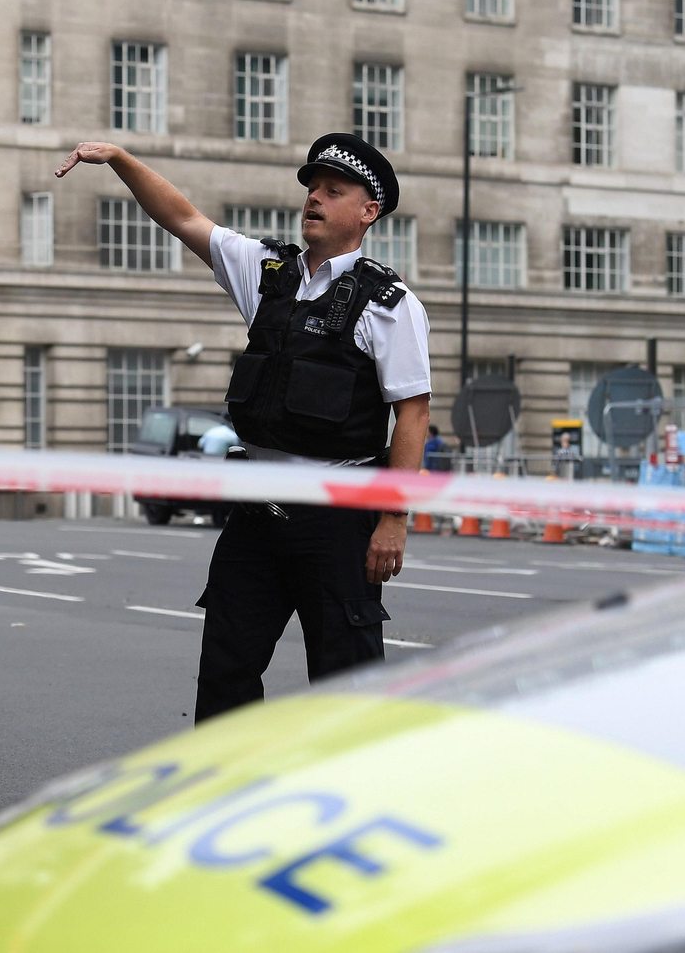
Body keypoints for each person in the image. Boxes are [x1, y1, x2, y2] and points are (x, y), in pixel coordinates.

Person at [58, 132, 432, 723]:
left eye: (333, 191)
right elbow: (182, 218)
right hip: (258, 510)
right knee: (226, 667)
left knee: (345, 680)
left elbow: (413, 412)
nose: (314, 198)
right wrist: (122, 162)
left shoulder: (390, 305)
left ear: (368, 212)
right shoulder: (268, 271)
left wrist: (393, 518)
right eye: (312, 188)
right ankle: (225, 798)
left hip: (336, 516)